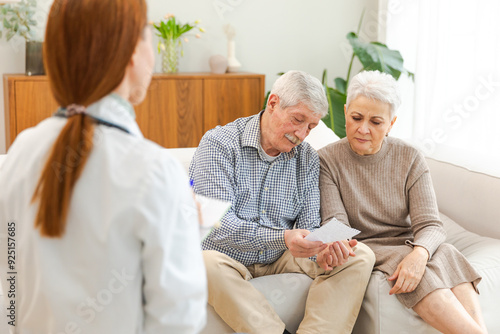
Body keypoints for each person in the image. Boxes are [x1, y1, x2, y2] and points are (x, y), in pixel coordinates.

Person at [0, 0, 206, 333]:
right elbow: (178, 320)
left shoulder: (20, 152)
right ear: (131, 53)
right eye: (148, 36)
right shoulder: (153, 171)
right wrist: (183, 228)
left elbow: (9, 294)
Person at [189, 70, 376, 334]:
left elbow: (309, 225)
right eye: (297, 120)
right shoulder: (218, 145)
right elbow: (218, 226)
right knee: (204, 264)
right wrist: (284, 238)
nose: (301, 134)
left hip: (280, 256)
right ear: (273, 103)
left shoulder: (307, 159)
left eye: (310, 127)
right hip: (226, 256)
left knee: (359, 255)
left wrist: (320, 249)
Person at [318, 70, 487, 334]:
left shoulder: (410, 157)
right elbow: (337, 223)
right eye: (356, 117)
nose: (363, 129)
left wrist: (420, 253)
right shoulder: (326, 160)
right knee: (407, 266)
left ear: (391, 123)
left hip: (407, 242)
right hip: (365, 245)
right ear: (346, 110)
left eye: (376, 122)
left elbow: (431, 225)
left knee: (448, 252)